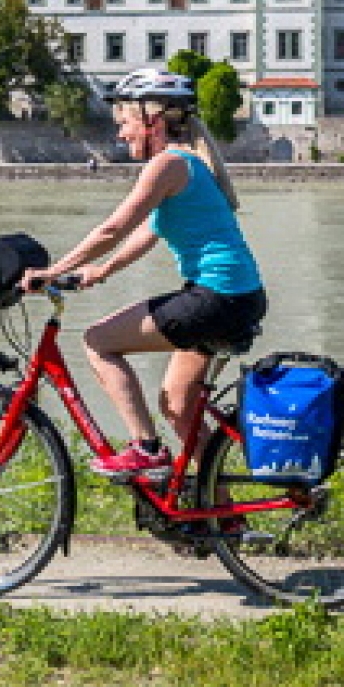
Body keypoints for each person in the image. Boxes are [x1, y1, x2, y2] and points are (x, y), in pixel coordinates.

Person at [27, 68, 266, 478]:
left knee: (98, 340)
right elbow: (148, 233)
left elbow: (113, 229)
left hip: (214, 298)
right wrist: (100, 271)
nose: (120, 135)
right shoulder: (190, 165)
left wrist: (51, 272)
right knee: (179, 408)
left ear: (151, 120)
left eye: (125, 124)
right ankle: (220, 518)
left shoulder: (167, 165)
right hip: (237, 297)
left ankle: (146, 448)